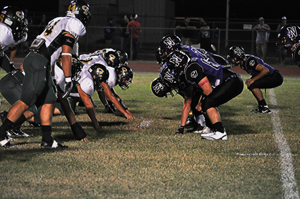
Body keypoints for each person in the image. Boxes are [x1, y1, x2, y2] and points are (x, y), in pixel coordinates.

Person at [0, 0, 91, 148]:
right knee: (27, 101)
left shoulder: (58, 20)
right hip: (39, 60)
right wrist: (68, 79)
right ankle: (2, 132)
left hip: (40, 60)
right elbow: (66, 54)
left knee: (49, 99)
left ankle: (47, 140)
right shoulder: (75, 24)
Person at [158, 50, 244, 140]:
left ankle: (220, 132)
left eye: (174, 69)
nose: (174, 72)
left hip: (231, 81)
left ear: (179, 64)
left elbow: (208, 90)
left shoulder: (190, 70)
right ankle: (214, 129)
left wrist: (200, 102)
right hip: (230, 80)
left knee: (207, 102)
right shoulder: (192, 63)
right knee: (206, 102)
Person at [227, 46, 283, 113]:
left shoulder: (248, 61)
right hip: (270, 76)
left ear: (239, 56)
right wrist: (251, 78)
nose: (233, 60)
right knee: (251, 84)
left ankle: (264, 107)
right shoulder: (244, 62)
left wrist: (253, 80)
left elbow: (265, 70)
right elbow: (257, 72)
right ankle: (261, 106)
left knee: (253, 84)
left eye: (234, 58)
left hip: (275, 77)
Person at [0, 6, 28, 74]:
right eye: (19, 22)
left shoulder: (11, 34)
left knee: (13, 73)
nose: (22, 24)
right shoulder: (4, 33)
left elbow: (14, 45)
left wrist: (11, 62)